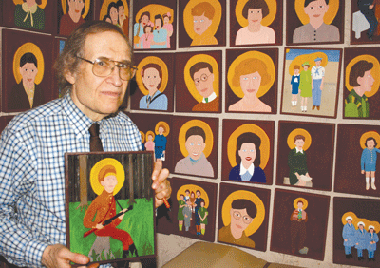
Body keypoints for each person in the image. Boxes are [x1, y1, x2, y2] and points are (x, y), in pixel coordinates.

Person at [0, 21, 171, 268]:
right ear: (70, 70)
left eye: (123, 67)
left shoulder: (128, 130)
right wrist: (42, 253)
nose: (117, 80)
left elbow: (127, 213)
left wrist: (149, 200)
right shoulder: (26, 133)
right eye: (102, 64)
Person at [83, 163, 138, 258]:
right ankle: (129, 258)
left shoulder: (113, 200)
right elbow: (86, 222)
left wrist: (120, 217)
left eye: (113, 179)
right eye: (108, 179)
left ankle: (129, 258)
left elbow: (112, 223)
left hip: (109, 229)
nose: (111, 182)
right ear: (102, 182)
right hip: (101, 231)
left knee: (126, 236)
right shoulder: (97, 201)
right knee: (125, 236)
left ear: (117, 182)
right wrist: (96, 225)